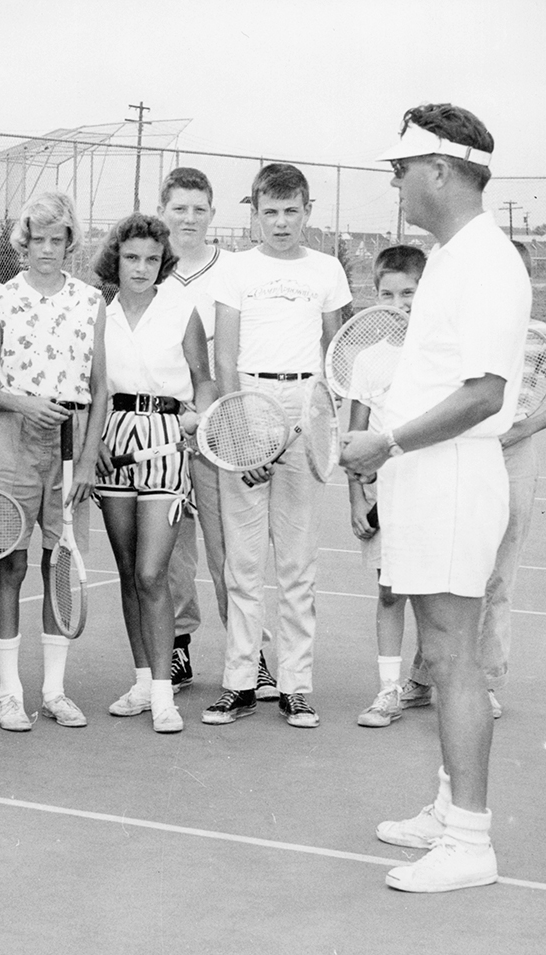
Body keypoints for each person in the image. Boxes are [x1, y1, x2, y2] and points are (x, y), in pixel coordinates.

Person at [341, 103, 529, 893]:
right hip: (427, 476)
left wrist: (383, 443)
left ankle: (471, 841)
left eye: (403, 170)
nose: (397, 182)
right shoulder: (453, 255)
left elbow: (485, 394)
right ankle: (450, 806)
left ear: (442, 171)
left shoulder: (486, 261)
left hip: (452, 476)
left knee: (452, 659)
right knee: (438, 651)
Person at [204, 163, 351, 729]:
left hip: (306, 408)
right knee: (242, 565)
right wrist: (241, 433)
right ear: (256, 214)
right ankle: (240, 683)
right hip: (247, 406)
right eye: (271, 212)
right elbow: (224, 357)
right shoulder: (235, 270)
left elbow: (339, 354)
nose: (282, 222)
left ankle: (296, 686)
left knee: (297, 565)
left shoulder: (328, 269)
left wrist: (318, 417)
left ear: (308, 212)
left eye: (293, 212)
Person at [0, 192, 109, 732]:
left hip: (72, 446)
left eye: (58, 240)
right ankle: (11, 693)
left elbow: (102, 391)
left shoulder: (92, 299)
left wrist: (90, 458)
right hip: (14, 436)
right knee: (12, 563)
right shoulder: (0, 299)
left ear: (70, 243)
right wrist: (25, 402)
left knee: (60, 566)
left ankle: (53, 690)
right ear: (22, 244)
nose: (47, 250)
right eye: (37, 241)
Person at [400, 241, 544, 720]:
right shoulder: (468, 329)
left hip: (517, 453)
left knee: (498, 574)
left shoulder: (541, 337)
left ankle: (485, 679)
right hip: (465, 451)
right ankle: (424, 676)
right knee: (445, 569)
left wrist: (522, 429)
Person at [93, 214, 215, 734]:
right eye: (130, 258)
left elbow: (203, 382)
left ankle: (165, 694)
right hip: (114, 437)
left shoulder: (182, 309)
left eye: (150, 259)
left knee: (151, 574)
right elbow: (94, 386)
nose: (140, 268)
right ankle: (143, 681)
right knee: (126, 573)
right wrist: (93, 440)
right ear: (115, 260)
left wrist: (196, 418)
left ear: (162, 262)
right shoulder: (98, 312)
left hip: (166, 439)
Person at [154, 168, 239, 694]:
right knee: (170, 550)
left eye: (199, 209)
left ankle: (247, 653)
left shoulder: (233, 271)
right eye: (179, 208)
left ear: (212, 214)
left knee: (228, 548)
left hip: (219, 428)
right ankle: (179, 649)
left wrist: (209, 416)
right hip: (161, 432)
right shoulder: (145, 269)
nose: (189, 218)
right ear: (163, 210)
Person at [348, 245, 425, 728]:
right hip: (384, 499)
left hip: (433, 491)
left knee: (438, 597)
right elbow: (355, 442)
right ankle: (388, 691)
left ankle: (448, 680)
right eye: (387, 294)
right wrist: (357, 497)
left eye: (409, 292)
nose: (399, 303)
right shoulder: (368, 361)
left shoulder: (442, 356)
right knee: (391, 593)